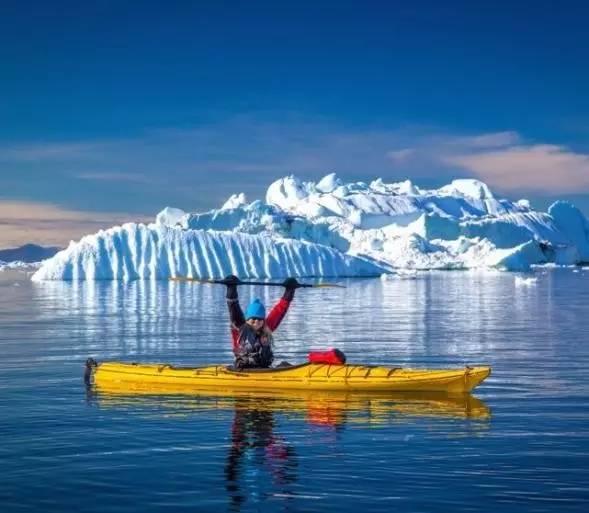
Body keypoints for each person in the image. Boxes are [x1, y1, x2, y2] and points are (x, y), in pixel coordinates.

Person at [225, 275, 299, 370]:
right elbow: (234, 309)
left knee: (285, 365)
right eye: (253, 319)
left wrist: (289, 291)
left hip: (264, 369)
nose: (257, 321)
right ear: (247, 320)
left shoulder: (266, 328)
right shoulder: (240, 329)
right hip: (244, 370)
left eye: (260, 319)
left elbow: (279, 310)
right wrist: (232, 290)